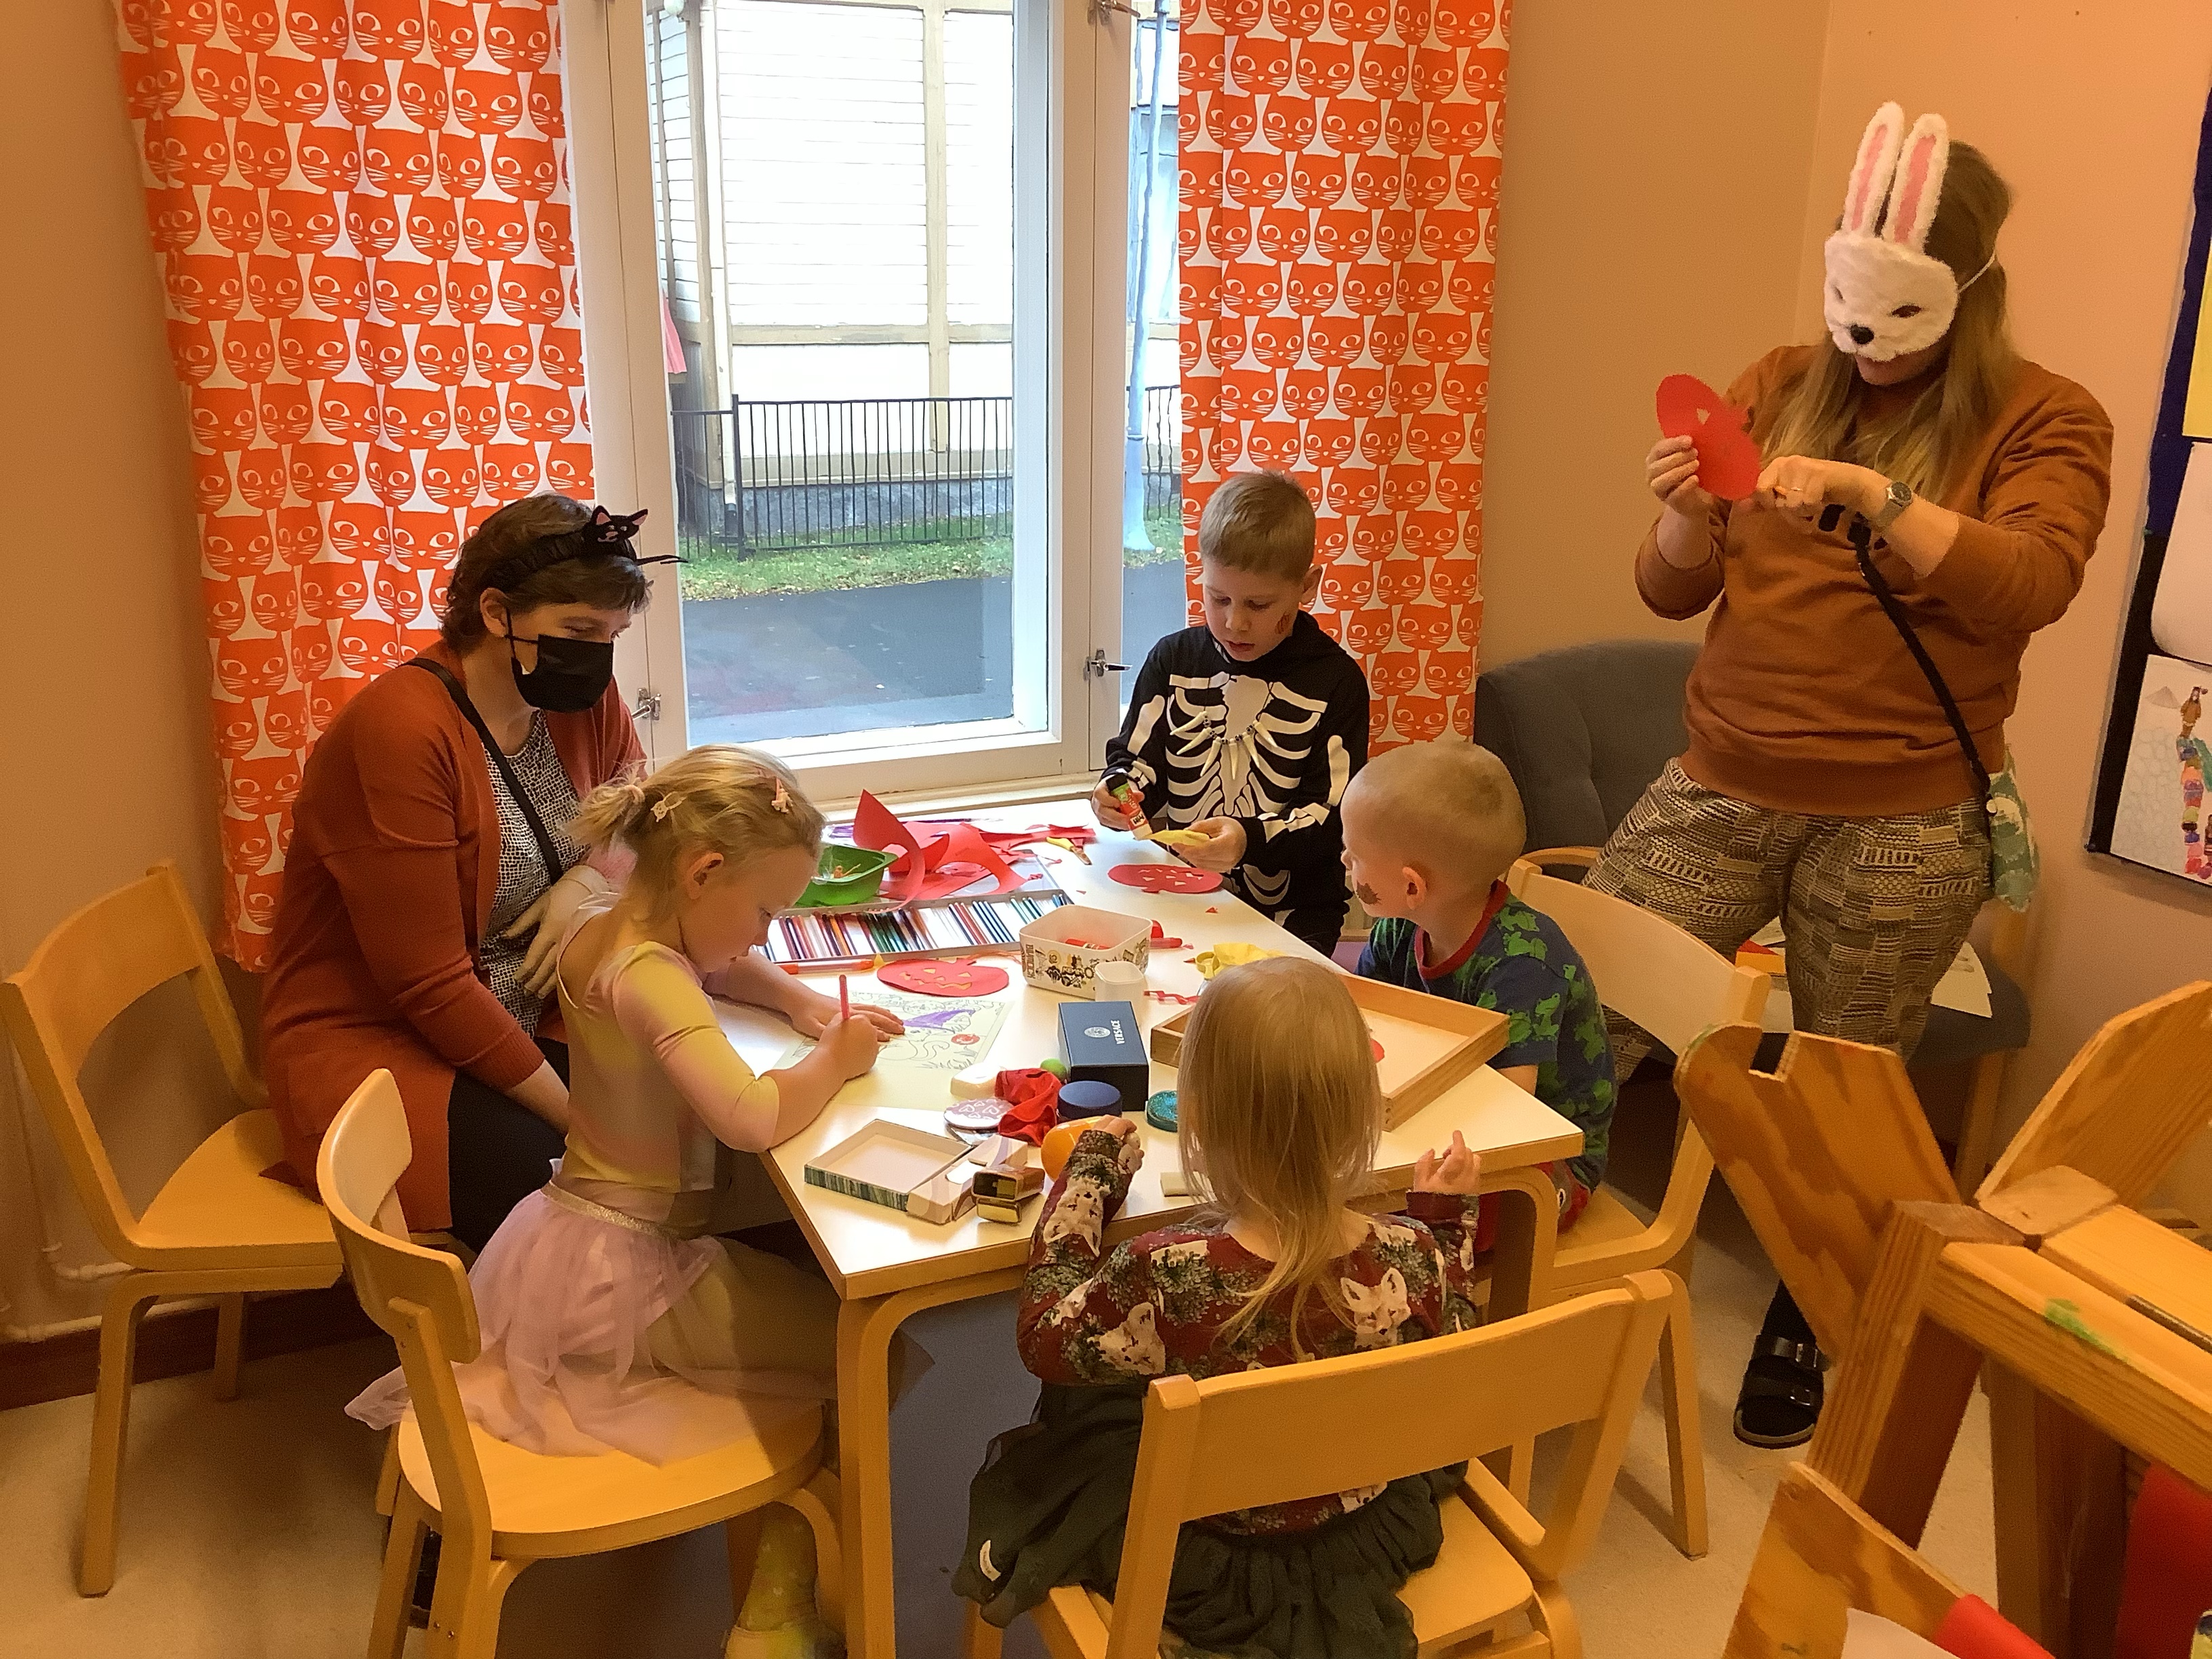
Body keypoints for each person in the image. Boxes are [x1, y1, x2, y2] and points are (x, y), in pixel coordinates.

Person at [1593, 106, 2113, 1448]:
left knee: (1843, 1085)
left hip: (1903, 817)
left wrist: (1881, 499)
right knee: (1583, 1004)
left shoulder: (2048, 417)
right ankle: (1512, 1241)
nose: (1862, 342)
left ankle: (1809, 1311)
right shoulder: (1776, 379)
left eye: (1895, 314)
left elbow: (2030, 583)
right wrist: (1681, 514)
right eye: (1846, 304)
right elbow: (1671, 588)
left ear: (1968, 293)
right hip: (1719, 780)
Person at [346, 744, 903, 1658]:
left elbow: (713, 964)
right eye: (766, 913)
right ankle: (775, 1613)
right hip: (629, 1275)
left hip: (566, 1239)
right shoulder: (652, 976)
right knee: (875, 1351)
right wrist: (835, 1059)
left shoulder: (602, 923)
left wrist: (797, 1003)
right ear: (703, 872)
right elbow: (751, 1118)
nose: (764, 937)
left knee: (808, 1313)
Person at [954, 958, 1484, 1658]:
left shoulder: (1164, 1271)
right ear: (1364, 1112)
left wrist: (1086, 1183)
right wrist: (1446, 1220)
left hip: (1207, 1559)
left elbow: (1044, 1339)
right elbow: (1456, 1337)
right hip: (1364, 1530)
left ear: (1195, 1116)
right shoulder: (1413, 1254)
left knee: (1084, 1419)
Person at [264, 494, 671, 1250]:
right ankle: (535, 1319)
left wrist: (589, 879)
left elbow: (635, 816)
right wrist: (576, 1119)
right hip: (384, 1035)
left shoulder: (574, 696)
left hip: (522, 998)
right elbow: (427, 985)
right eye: (579, 631)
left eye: (613, 635)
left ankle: (625, 1307)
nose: (598, 656)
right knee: (560, 1177)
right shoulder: (401, 731)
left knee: (669, 1108)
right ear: (495, 611)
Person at [1095, 470, 1370, 959]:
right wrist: (1118, 793)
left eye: (1259, 604)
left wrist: (1250, 839)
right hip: (1178, 892)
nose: (1234, 622)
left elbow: (1333, 820)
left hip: (1295, 913)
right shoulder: (1173, 660)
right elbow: (1135, 762)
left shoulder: (1336, 683)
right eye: (1218, 598)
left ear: (1307, 586)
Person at [1344, 739, 1615, 1231]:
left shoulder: (1524, 964)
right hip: (1439, 1112)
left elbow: (1507, 1118)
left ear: (1412, 886)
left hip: (1542, 1162)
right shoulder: (1400, 926)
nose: (1346, 861)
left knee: (1387, 1223)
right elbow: (1363, 1016)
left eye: (1356, 855)